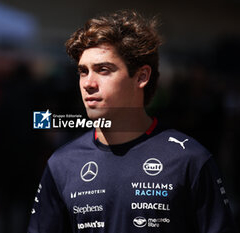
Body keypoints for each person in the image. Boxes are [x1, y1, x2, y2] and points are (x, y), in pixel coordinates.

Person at [27, 10, 236, 232]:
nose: (88, 83)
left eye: (103, 70)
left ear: (141, 76)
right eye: (83, 71)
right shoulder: (62, 163)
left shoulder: (190, 160)